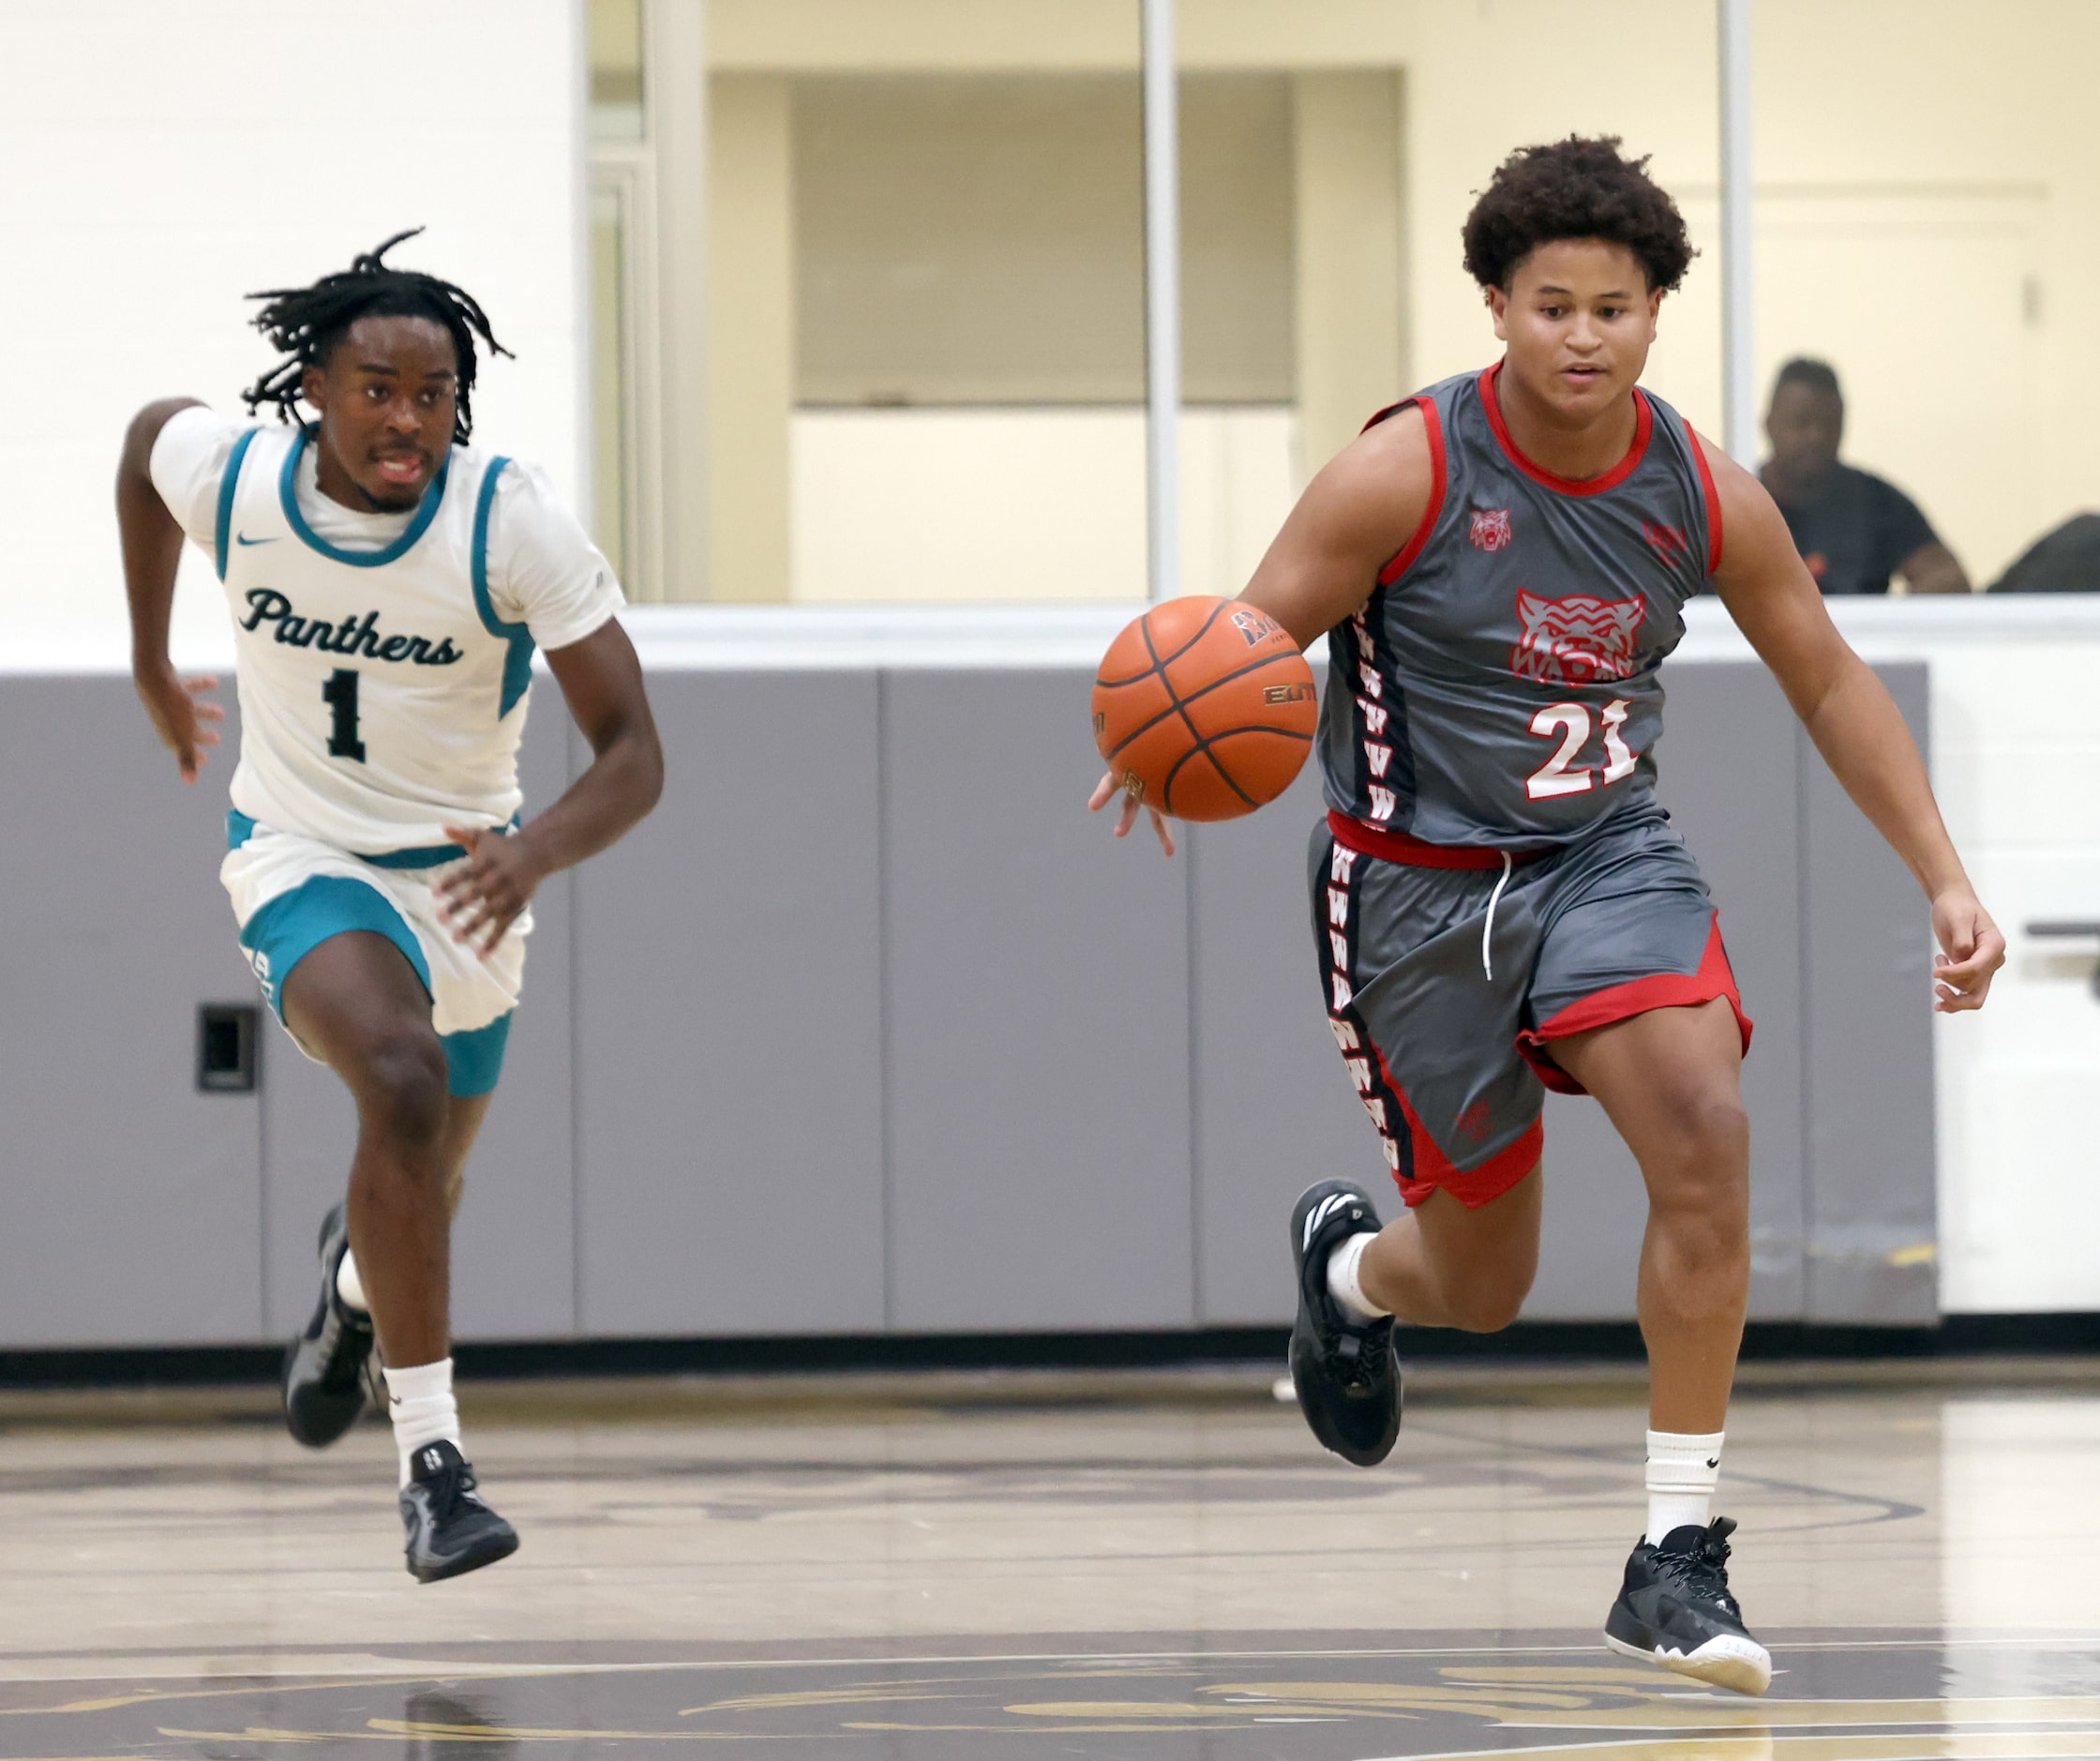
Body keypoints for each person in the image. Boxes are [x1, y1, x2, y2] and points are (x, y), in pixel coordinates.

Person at [1089, 138, 2002, 1695]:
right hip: (1413, 890)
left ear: (1657, 316)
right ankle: (1351, 1276)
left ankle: (1675, 1549)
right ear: (1498, 310)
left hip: (1605, 861)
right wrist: (1160, 748)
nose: (1583, 334)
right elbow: (1248, 645)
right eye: (1552, 304)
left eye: (1616, 307)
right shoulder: (1404, 467)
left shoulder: (1701, 486)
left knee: (1708, 1131)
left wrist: (1944, 870)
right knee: (1485, 1286)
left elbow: (1832, 675)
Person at [115, 233, 664, 1582]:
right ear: (315, 386)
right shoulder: (236, 481)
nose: (405, 417)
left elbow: (637, 750)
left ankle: (354, 1291)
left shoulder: (511, 523)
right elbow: (144, 441)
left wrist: (531, 856)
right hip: (301, 849)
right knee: (404, 1085)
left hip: (470, 885)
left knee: (427, 1171)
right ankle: (434, 1465)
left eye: (432, 393)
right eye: (376, 388)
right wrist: (147, 653)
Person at [1761, 357, 1970, 595]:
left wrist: (1886, 623)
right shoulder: (1737, 504)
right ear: (1769, 425)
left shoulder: (1876, 502)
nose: (1816, 437)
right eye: (1801, 423)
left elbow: (1947, 578)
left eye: (1830, 425)